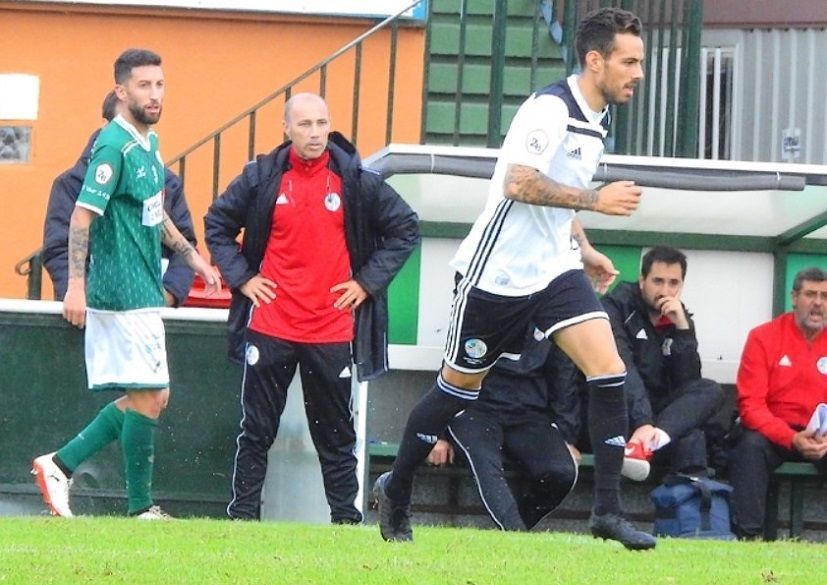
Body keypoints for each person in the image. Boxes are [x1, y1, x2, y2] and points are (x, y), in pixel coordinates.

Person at [373, 7, 656, 549]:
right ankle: (398, 489)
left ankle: (607, 513)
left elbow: (556, 189)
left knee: (609, 370)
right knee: (456, 390)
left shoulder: (598, 116)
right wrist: (597, 200)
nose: (638, 73)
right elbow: (519, 183)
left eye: (639, 62)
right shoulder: (550, 109)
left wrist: (583, 247)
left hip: (553, 268)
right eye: (629, 62)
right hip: (497, 275)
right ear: (595, 60)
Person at [204, 92, 419, 524]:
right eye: (304, 124)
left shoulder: (355, 179)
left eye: (322, 123)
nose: (315, 133)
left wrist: (366, 282)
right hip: (272, 324)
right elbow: (217, 224)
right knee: (256, 431)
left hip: (331, 328)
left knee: (336, 436)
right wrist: (243, 278)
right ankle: (242, 520)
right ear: (286, 129)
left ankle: (345, 522)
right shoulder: (261, 177)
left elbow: (405, 228)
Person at [31, 48, 221, 520]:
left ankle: (60, 465)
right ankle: (136, 506)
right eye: (144, 85)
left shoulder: (148, 144)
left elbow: (155, 213)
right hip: (119, 294)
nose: (154, 94)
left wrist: (193, 258)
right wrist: (76, 286)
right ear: (121, 91)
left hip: (143, 291)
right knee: (149, 395)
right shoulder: (112, 147)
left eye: (159, 85)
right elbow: (80, 217)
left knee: (153, 396)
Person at [42, 90, 197, 307]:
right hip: (91, 310)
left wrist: (168, 294)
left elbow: (184, 243)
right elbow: (59, 248)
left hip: (151, 310)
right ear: (107, 126)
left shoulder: (168, 184)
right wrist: (81, 294)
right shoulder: (70, 184)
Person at [427, 324, 581, 531]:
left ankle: (518, 527)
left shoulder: (549, 320)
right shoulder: (481, 313)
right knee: (484, 461)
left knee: (562, 472)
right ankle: (514, 532)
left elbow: (563, 379)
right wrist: (438, 433)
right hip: (476, 410)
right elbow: (450, 375)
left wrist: (566, 435)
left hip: (529, 415)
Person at [601, 246, 724, 478]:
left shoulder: (679, 317)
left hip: (658, 420)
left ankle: (649, 443)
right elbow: (623, 369)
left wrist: (683, 330)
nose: (665, 291)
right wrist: (643, 422)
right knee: (690, 436)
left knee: (710, 392)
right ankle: (647, 440)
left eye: (673, 283)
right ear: (642, 281)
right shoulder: (616, 308)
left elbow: (688, 386)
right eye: (657, 281)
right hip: (618, 412)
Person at [729, 266, 827, 539]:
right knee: (750, 446)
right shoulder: (764, 337)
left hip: (821, 436)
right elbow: (751, 406)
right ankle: (748, 538)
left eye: (825, 296)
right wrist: (791, 438)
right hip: (774, 432)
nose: (818, 303)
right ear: (794, 298)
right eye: (810, 294)